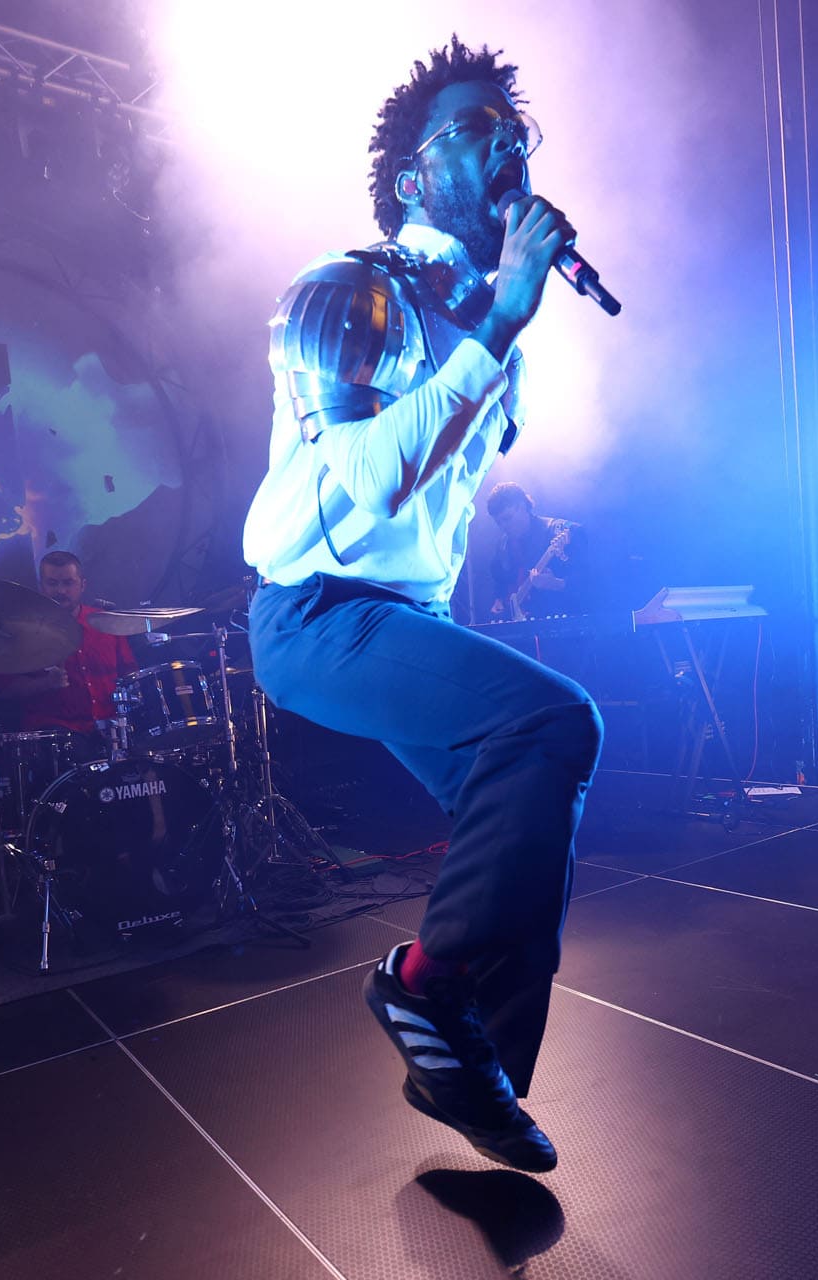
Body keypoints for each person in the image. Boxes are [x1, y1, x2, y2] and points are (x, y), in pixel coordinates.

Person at [241, 36, 603, 1173]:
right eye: (477, 129)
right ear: (412, 178)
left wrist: (497, 324)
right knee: (555, 721)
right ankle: (425, 985)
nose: (508, 146)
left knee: (537, 799)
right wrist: (498, 321)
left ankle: (474, 1070)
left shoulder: (495, 326)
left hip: (405, 621)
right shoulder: (346, 292)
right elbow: (367, 480)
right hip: (313, 614)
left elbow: (437, 517)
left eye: (516, 129)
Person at [0, 551, 135, 734]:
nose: (60, 591)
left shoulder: (107, 623)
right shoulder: (24, 630)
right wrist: (45, 683)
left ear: (82, 585)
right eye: (52, 583)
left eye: (68, 583)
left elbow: (131, 676)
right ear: (41, 586)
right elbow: (5, 690)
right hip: (54, 737)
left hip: (112, 731)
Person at [485, 481, 586, 618]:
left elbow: (592, 581)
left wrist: (558, 584)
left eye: (507, 518)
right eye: (499, 522)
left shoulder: (555, 531)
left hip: (560, 622)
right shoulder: (503, 545)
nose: (504, 526)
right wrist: (499, 599)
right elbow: (500, 579)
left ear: (522, 507)